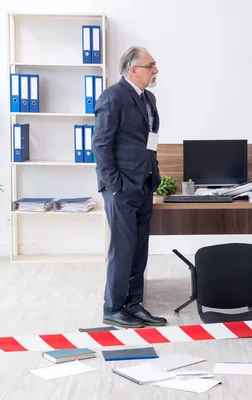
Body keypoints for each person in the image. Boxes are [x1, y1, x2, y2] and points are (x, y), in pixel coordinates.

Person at [91, 46, 166, 328]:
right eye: (151, 65)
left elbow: (151, 140)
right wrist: (114, 186)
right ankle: (113, 307)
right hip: (121, 188)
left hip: (144, 184)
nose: (156, 71)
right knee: (122, 249)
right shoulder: (112, 97)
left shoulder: (149, 99)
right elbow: (101, 145)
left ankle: (134, 304)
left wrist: (153, 174)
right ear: (134, 70)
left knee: (139, 249)